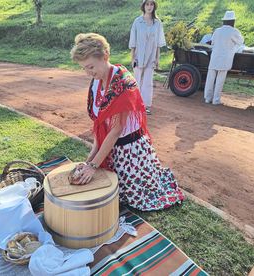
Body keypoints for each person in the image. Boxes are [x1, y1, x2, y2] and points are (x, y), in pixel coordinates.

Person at [70, 33, 184, 211]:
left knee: (132, 199)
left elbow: (116, 130)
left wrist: (93, 166)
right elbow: (102, 129)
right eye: (84, 68)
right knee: (101, 188)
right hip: (112, 148)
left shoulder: (123, 82)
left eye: (91, 66)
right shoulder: (97, 82)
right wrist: (88, 162)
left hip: (131, 153)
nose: (88, 73)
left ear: (105, 56)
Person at [129, 0, 166, 115]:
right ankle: (135, 105)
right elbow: (133, 41)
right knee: (137, 81)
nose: (149, 7)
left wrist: (157, 59)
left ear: (154, 6)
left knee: (148, 82)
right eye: (147, 4)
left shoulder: (157, 23)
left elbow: (159, 43)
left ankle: (146, 106)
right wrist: (132, 58)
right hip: (138, 56)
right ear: (143, 6)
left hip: (151, 57)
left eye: (151, 4)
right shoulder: (137, 22)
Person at [204, 11, 244, 105]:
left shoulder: (217, 30)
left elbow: (212, 42)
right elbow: (240, 41)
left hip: (214, 58)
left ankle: (207, 98)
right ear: (233, 21)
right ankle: (216, 100)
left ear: (224, 21)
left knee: (210, 79)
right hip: (225, 59)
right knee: (219, 80)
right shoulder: (234, 31)